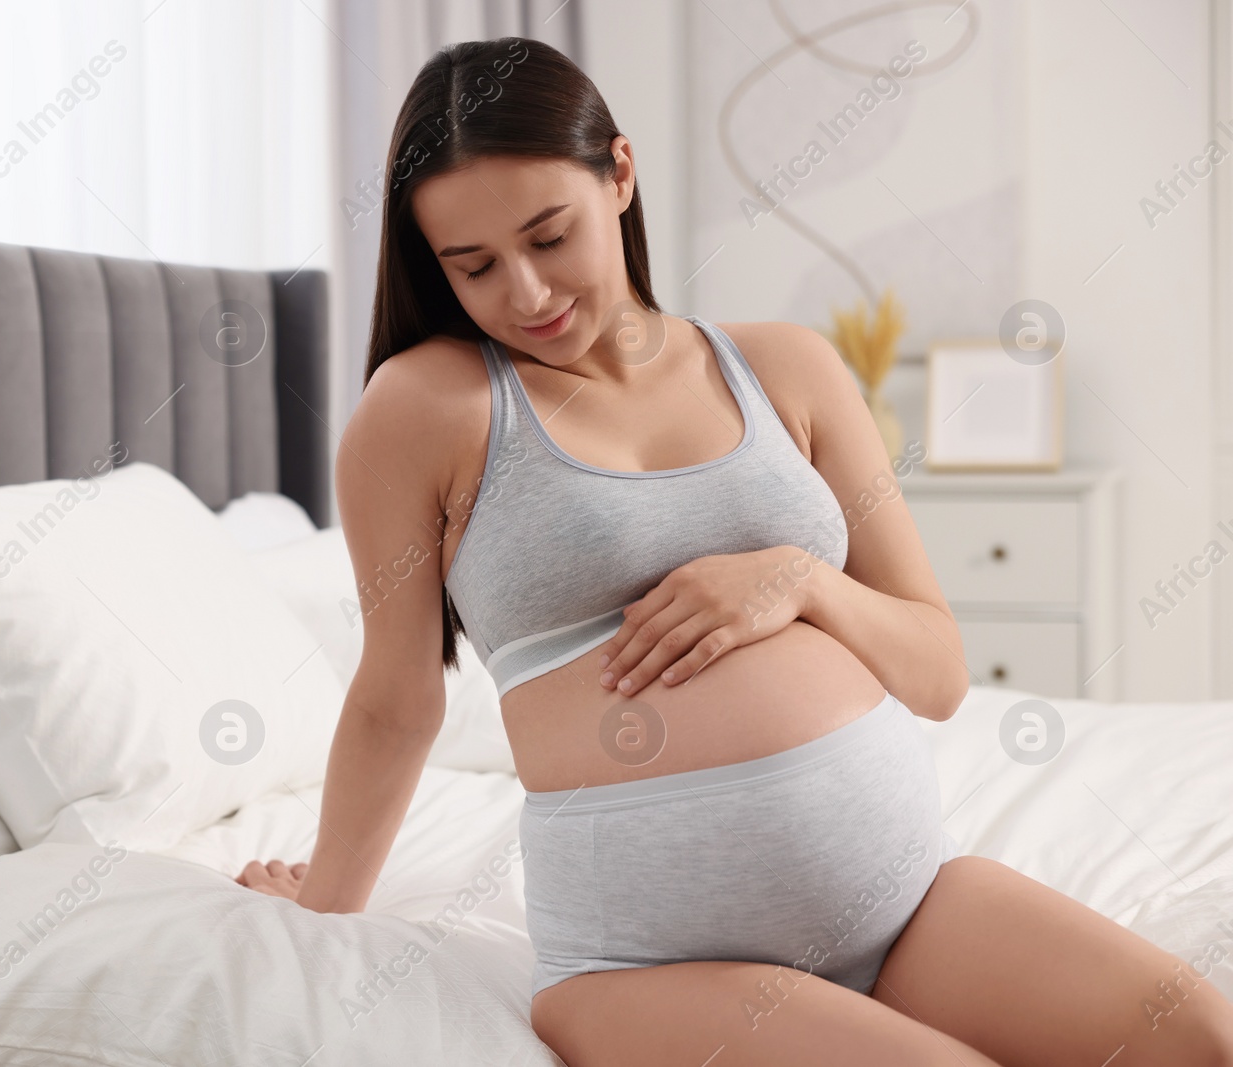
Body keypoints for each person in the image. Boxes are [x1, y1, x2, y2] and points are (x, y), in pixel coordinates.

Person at [237, 36, 1233, 1066]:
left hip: (902, 901)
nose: (527, 294)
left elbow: (937, 672)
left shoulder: (786, 367)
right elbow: (398, 695)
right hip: (648, 965)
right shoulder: (425, 407)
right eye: (475, 265)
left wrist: (800, 581)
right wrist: (323, 900)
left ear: (618, 174)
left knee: (1200, 1037)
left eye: (549, 234)